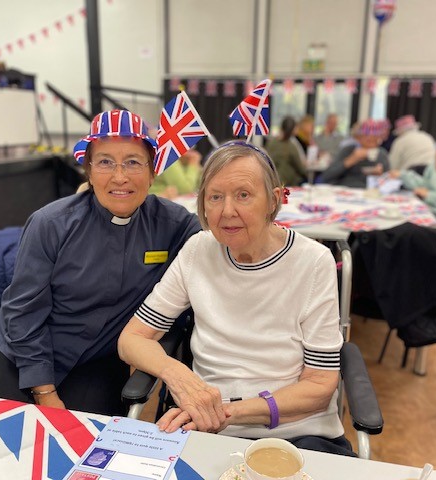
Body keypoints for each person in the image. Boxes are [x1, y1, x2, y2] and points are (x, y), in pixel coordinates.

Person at [118, 142, 353, 456]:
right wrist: (180, 377)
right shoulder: (197, 251)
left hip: (298, 432)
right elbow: (131, 339)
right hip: (201, 422)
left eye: (243, 194)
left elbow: (320, 386)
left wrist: (227, 413)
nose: (227, 211)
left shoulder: (313, 261)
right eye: (215, 197)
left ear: (272, 200)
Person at [0, 109, 201, 415]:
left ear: (153, 172)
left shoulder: (172, 223)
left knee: (92, 452)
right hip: (25, 354)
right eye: (105, 162)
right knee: (6, 448)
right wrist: (45, 393)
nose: (120, 176)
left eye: (133, 162)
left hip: (97, 361)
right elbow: (23, 315)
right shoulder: (51, 224)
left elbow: (218, 241)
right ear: (88, 171)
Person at [320, 119, 390, 187]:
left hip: (369, 193)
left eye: (375, 136)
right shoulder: (348, 150)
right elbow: (326, 176)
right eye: (366, 135)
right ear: (358, 137)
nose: (371, 138)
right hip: (345, 190)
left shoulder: (381, 154)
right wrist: (351, 160)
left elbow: (389, 181)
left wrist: (381, 176)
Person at [265, 116, 307, 186]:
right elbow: (301, 169)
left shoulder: (271, 143)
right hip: (287, 184)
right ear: (293, 129)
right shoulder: (291, 146)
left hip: (271, 181)